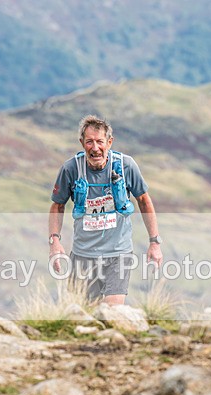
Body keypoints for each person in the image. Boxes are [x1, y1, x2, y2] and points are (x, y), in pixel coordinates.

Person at [48, 115, 163, 305]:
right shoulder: (70, 169)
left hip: (118, 253)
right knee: (83, 312)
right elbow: (57, 206)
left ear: (109, 142)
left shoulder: (126, 166)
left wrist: (155, 242)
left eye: (100, 141)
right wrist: (54, 242)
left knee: (114, 309)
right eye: (89, 142)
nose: (95, 148)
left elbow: (144, 200)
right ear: (81, 143)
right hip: (83, 253)